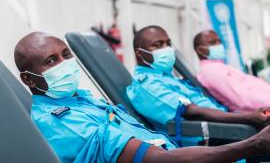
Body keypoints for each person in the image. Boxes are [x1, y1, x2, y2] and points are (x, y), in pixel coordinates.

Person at [15, 31, 270, 163]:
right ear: (28, 79)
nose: (65, 64)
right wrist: (254, 143)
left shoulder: (82, 99)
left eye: (66, 55)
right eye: (51, 61)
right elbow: (160, 160)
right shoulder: (63, 122)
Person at [126, 25, 270, 132]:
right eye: (158, 45)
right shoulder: (147, 85)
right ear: (139, 53)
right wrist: (248, 117)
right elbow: (192, 112)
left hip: (226, 123)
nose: (167, 49)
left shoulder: (166, 77)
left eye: (168, 44)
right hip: (213, 135)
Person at [194, 30, 270, 112]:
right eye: (212, 43)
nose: (218, 45)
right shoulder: (212, 71)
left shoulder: (217, 67)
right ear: (200, 50)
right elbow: (243, 100)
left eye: (219, 41)